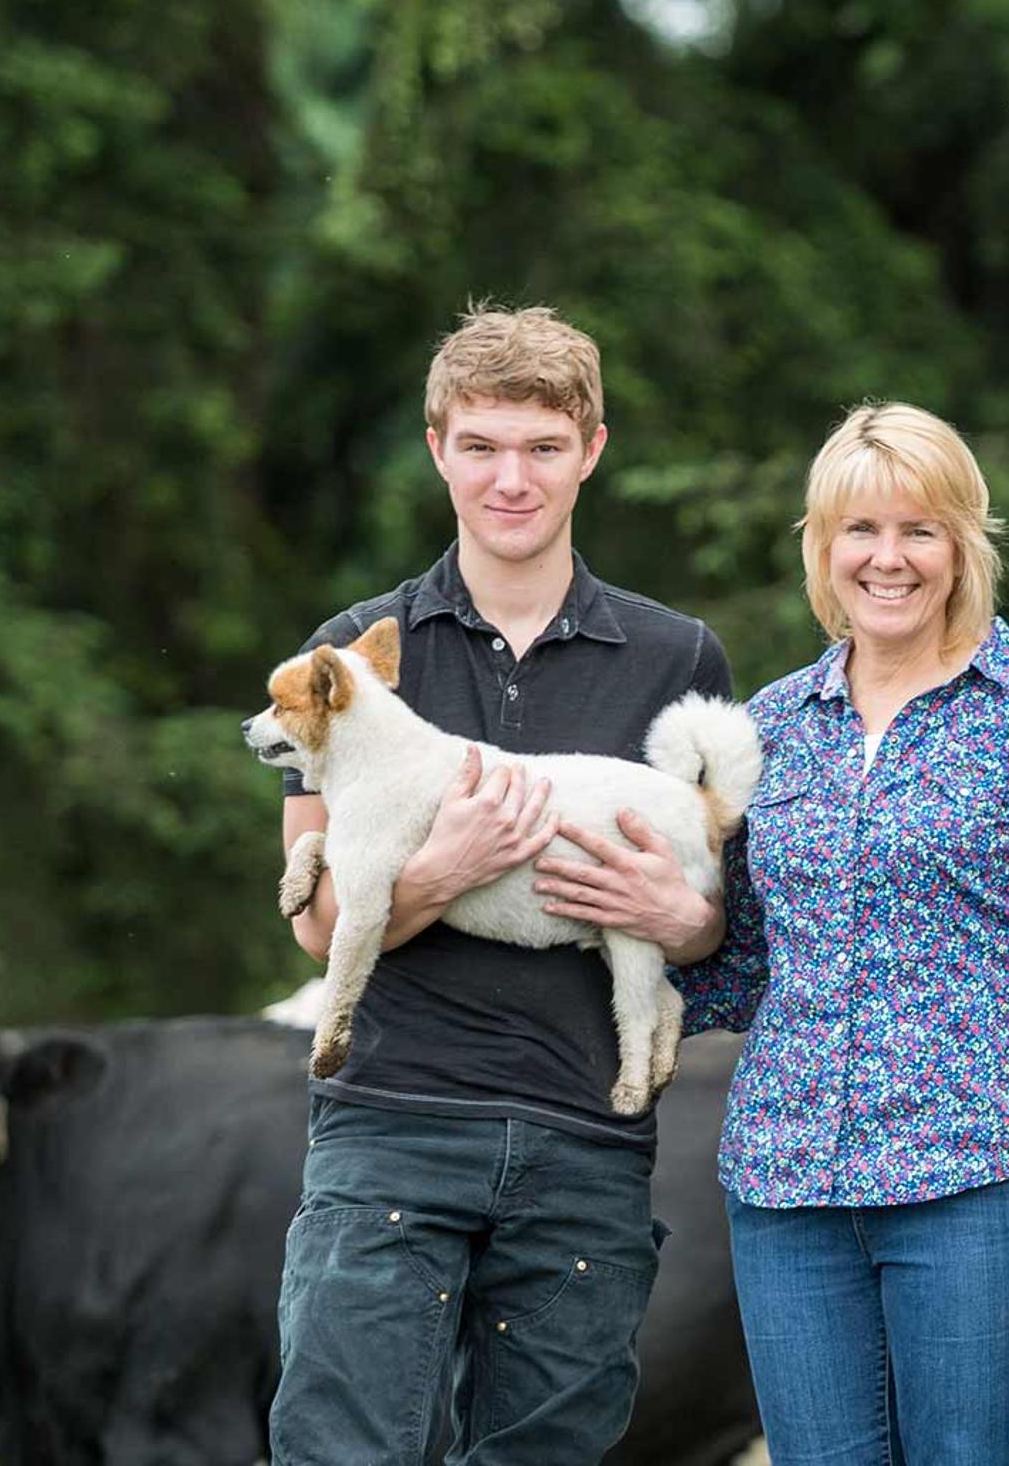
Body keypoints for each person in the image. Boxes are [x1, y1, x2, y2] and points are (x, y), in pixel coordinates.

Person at [270, 304, 736, 1462]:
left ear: (592, 449)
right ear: (438, 449)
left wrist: (685, 919)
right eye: (480, 446)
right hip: (391, 1125)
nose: (510, 478)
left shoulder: (679, 658)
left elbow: (719, 921)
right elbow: (320, 927)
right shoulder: (356, 650)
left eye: (540, 447)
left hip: (586, 1139)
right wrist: (445, 868)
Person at [671, 401, 1009, 1463]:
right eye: (861, 530)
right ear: (823, 546)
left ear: (961, 547)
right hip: (789, 1185)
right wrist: (645, 930)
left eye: (918, 530)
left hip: (985, 1184)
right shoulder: (768, 727)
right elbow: (743, 959)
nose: (887, 557)